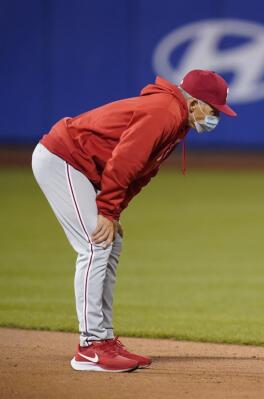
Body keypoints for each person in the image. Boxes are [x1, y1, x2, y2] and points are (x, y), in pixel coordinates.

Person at [32, 70, 237, 372]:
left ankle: (104, 338)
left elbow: (142, 173)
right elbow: (125, 160)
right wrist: (107, 210)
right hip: (62, 159)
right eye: (213, 110)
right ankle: (89, 347)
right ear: (194, 104)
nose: (215, 118)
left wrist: (115, 213)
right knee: (94, 245)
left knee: (110, 242)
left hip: (80, 167)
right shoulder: (164, 112)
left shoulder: (176, 119)